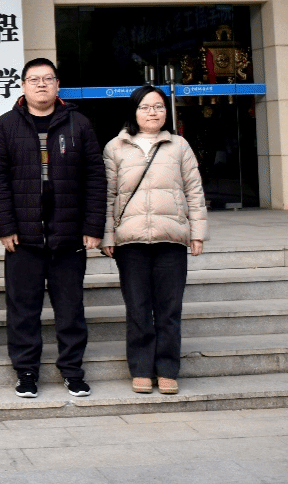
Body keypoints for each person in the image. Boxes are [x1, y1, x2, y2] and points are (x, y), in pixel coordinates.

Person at [0, 58, 106, 400]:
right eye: (34, 79)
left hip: (68, 236)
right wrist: (4, 227)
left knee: (70, 309)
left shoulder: (78, 123)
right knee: (22, 310)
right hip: (22, 238)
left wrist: (93, 226)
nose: (41, 84)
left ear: (57, 85)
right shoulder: (6, 125)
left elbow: (95, 178)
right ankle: (26, 372)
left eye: (48, 78)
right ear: (23, 86)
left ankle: (72, 371)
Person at [102, 85, 208, 395]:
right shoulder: (115, 147)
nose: (153, 112)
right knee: (138, 308)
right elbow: (108, 195)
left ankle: (167, 369)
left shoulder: (179, 146)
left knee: (169, 309)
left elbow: (194, 191)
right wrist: (108, 234)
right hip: (130, 240)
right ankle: (141, 369)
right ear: (134, 112)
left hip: (170, 238)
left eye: (159, 106)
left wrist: (197, 233)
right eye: (146, 107)